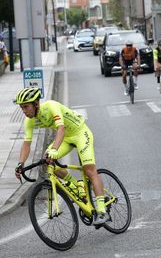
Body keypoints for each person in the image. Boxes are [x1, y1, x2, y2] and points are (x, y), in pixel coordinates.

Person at [14, 87, 110, 225]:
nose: (24, 111)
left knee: (89, 169)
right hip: (66, 139)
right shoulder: (29, 120)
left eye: (26, 107)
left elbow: (61, 128)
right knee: (48, 161)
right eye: (21, 108)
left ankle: (102, 211)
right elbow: (26, 144)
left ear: (36, 104)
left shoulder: (51, 106)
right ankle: (76, 185)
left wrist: (54, 149)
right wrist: (20, 163)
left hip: (80, 133)